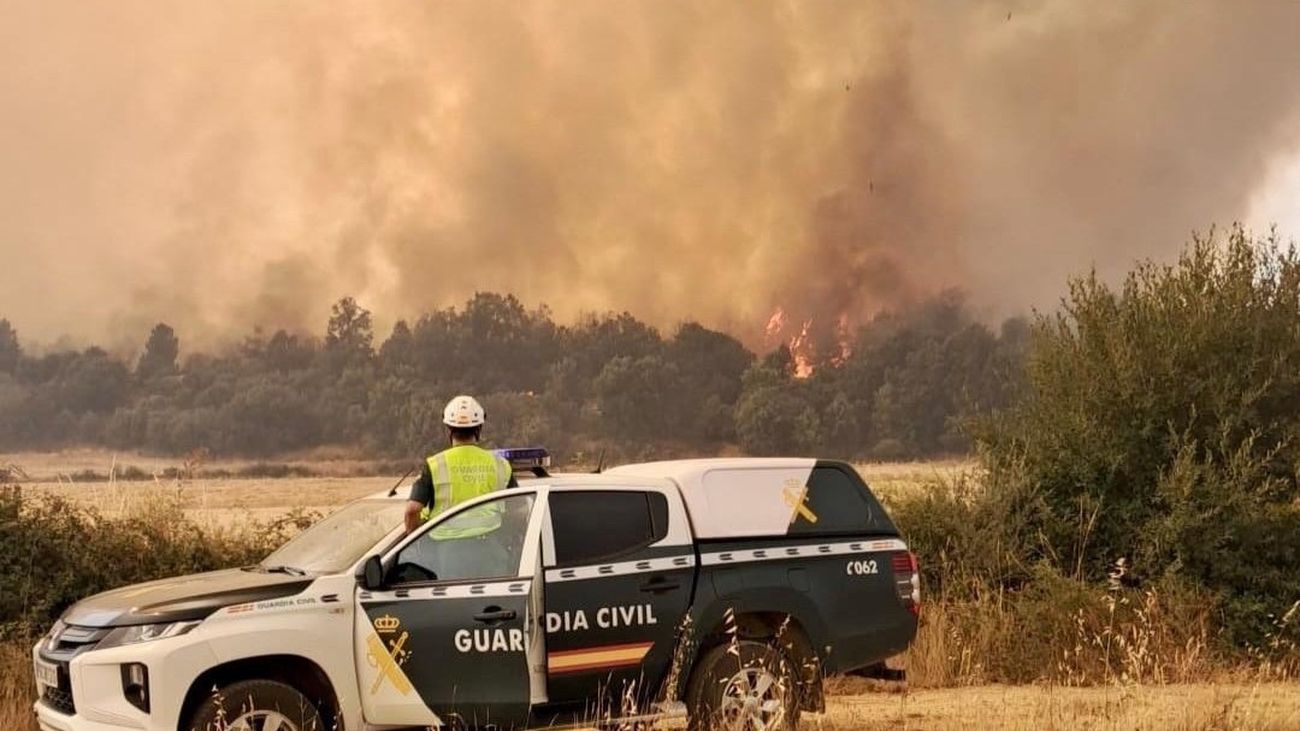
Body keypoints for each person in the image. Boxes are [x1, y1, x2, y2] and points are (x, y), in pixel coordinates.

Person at [404, 395, 515, 536]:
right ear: (479, 429)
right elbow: (519, 508)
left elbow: (412, 510)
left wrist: (415, 541)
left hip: (444, 551)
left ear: (448, 430)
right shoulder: (500, 464)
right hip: (491, 546)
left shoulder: (435, 465)